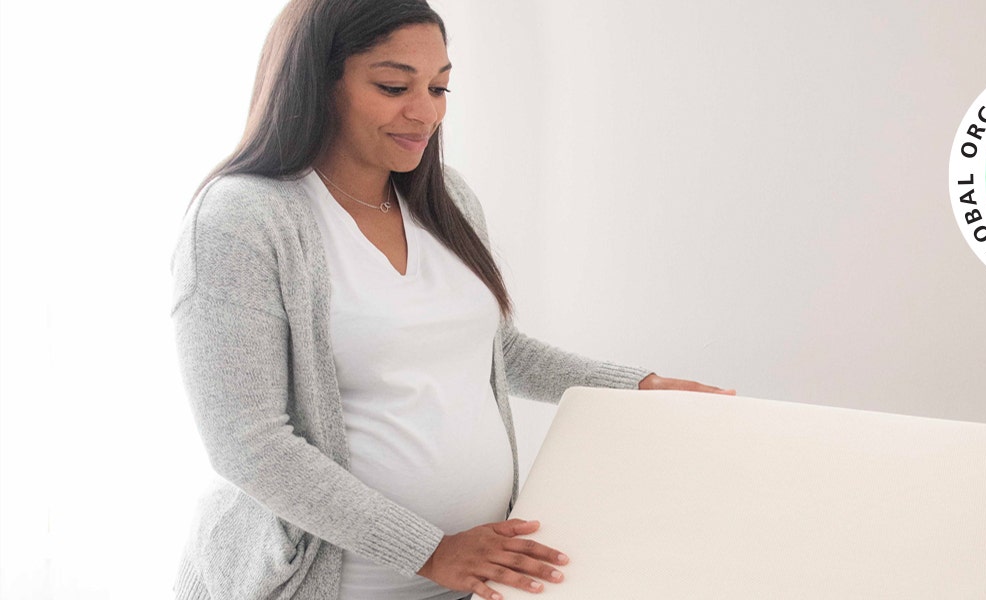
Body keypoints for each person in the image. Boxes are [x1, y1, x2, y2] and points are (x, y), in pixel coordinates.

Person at [169, 1, 735, 599]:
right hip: (334, 585)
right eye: (393, 86)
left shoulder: (447, 199)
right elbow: (248, 444)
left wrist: (634, 387)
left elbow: (494, 350)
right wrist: (430, 551)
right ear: (318, 82)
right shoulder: (243, 218)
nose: (425, 112)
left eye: (439, 87)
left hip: (471, 581)